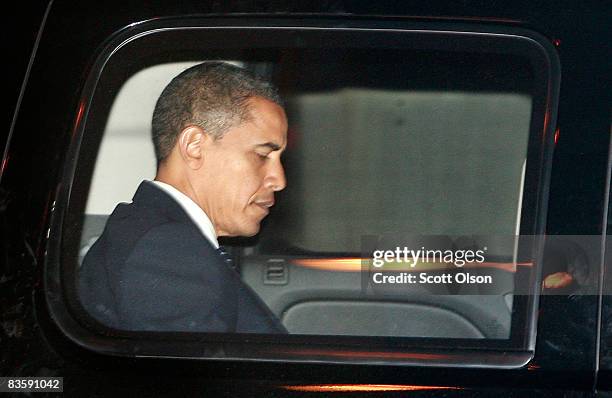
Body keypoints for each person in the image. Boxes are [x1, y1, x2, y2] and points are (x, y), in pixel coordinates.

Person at [78, 62, 288, 333]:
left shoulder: (157, 234)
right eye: (262, 155)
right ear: (194, 146)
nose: (279, 180)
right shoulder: (167, 251)